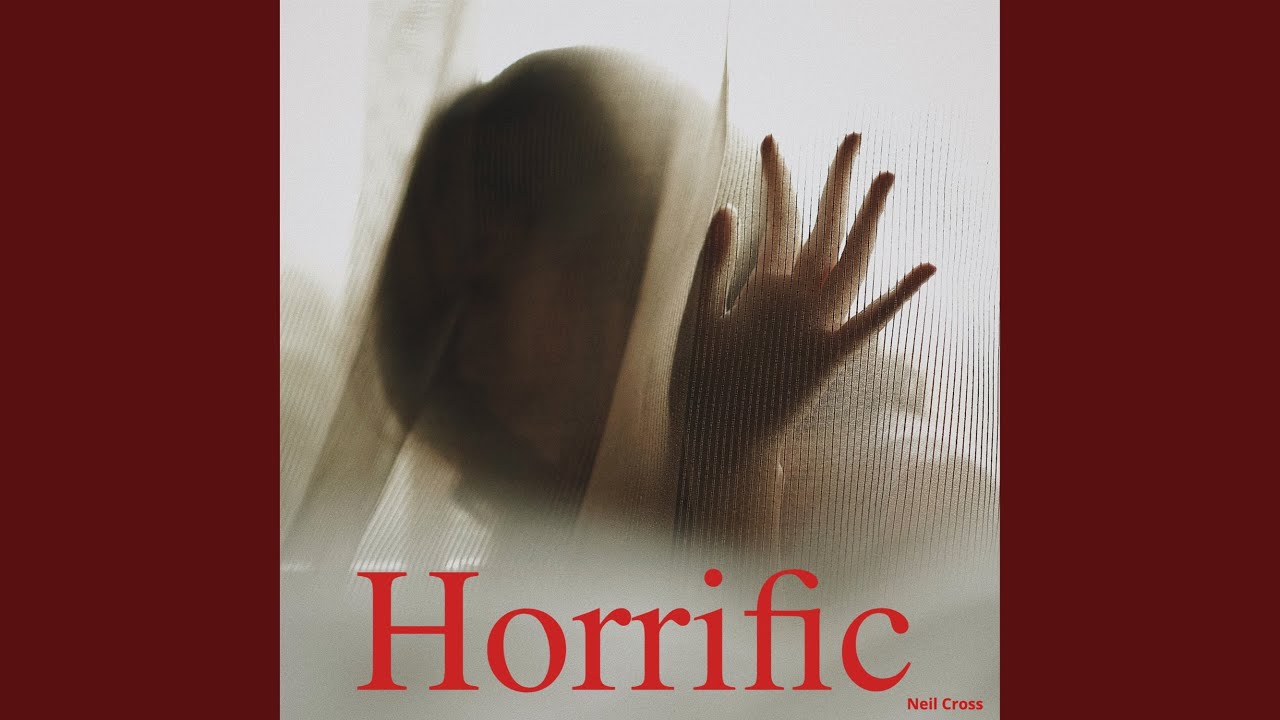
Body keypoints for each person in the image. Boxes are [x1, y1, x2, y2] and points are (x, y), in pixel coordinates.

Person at [373, 47, 934, 559]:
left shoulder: (879, 496)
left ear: (620, 246)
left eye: (486, 286)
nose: (464, 355)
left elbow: (731, 632)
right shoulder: (540, 545)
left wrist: (734, 456)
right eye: (437, 311)